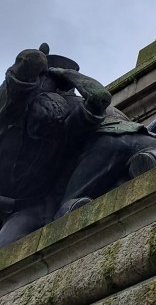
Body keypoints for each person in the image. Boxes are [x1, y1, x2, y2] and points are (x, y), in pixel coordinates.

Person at [0, 46, 110, 245]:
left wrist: (67, 74)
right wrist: (42, 68)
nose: (42, 127)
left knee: (5, 247)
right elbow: (28, 63)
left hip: (31, 210)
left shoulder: (64, 132)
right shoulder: (10, 119)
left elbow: (99, 97)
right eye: (39, 118)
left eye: (50, 124)